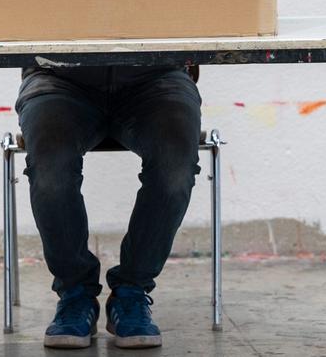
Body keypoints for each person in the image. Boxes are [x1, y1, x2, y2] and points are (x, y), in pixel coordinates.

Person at [13, 61, 203, 349]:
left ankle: (131, 291)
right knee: (52, 170)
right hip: (58, 78)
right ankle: (75, 293)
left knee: (174, 169)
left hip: (156, 77)